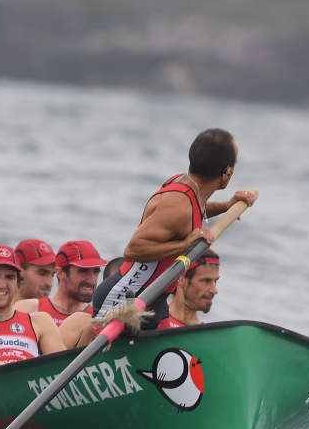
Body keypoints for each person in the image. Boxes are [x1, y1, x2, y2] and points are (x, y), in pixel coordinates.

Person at [94, 128, 254, 328]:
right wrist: (184, 246)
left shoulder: (187, 188)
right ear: (227, 172)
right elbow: (133, 250)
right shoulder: (179, 205)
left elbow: (193, 214)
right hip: (125, 299)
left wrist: (226, 206)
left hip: (155, 300)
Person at [24, 240, 106, 324]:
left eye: (96, 272)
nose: (92, 281)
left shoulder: (98, 319)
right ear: (60, 273)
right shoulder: (30, 309)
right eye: (83, 271)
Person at [156, 252, 219, 330]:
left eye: (215, 281)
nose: (214, 291)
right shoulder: (152, 323)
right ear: (181, 280)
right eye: (206, 281)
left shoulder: (206, 335)